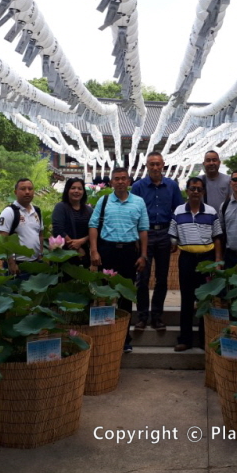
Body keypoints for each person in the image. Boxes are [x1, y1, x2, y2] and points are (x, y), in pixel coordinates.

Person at [89, 166, 149, 353]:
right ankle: (103, 337)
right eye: (117, 178)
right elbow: (93, 225)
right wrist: (94, 251)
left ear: (129, 181)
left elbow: (143, 230)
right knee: (104, 295)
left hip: (129, 253)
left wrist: (143, 255)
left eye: (124, 178)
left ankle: (124, 339)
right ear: (111, 182)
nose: (120, 181)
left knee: (126, 297)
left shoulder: (138, 202)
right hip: (107, 251)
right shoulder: (104, 200)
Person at [130, 151, 184, 331]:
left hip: (165, 235)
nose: (155, 167)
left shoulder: (172, 186)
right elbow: (132, 213)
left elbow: (178, 211)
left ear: (163, 165)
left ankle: (157, 316)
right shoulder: (138, 187)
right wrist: (136, 237)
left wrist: (174, 237)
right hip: (144, 234)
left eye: (157, 164)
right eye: (151, 164)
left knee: (162, 278)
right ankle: (142, 316)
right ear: (146, 166)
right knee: (142, 277)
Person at [169, 177, 223, 351]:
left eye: (199, 189)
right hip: (186, 259)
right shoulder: (178, 211)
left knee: (205, 299)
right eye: (192, 188)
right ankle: (185, 339)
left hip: (206, 260)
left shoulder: (211, 212)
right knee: (186, 299)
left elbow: (217, 237)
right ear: (187, 191)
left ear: (203, 192)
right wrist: (172, 243)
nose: (195, 192)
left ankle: (204, 339)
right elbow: (173, 235)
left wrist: (217, 260)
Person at [0, 178, 44, 279]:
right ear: (15, 192)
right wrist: (11, 263)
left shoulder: (37, 211)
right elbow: (2, 239)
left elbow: (40, 234)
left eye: (30, 189)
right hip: (17, 266)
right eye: (23, 189)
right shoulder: (9, 212)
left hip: (35, 263)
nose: (27, 192)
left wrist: (40, 254)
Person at [51, 177, 93, 268]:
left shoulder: (89, 210)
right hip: (64, 253)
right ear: (67, 190)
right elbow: (58, 230)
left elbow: (94, 230)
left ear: (83, 192)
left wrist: (81, 241)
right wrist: (77, 248)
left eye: (80, 189)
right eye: (73, 188)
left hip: (84, 253)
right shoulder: (60, 207)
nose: (76, 191)